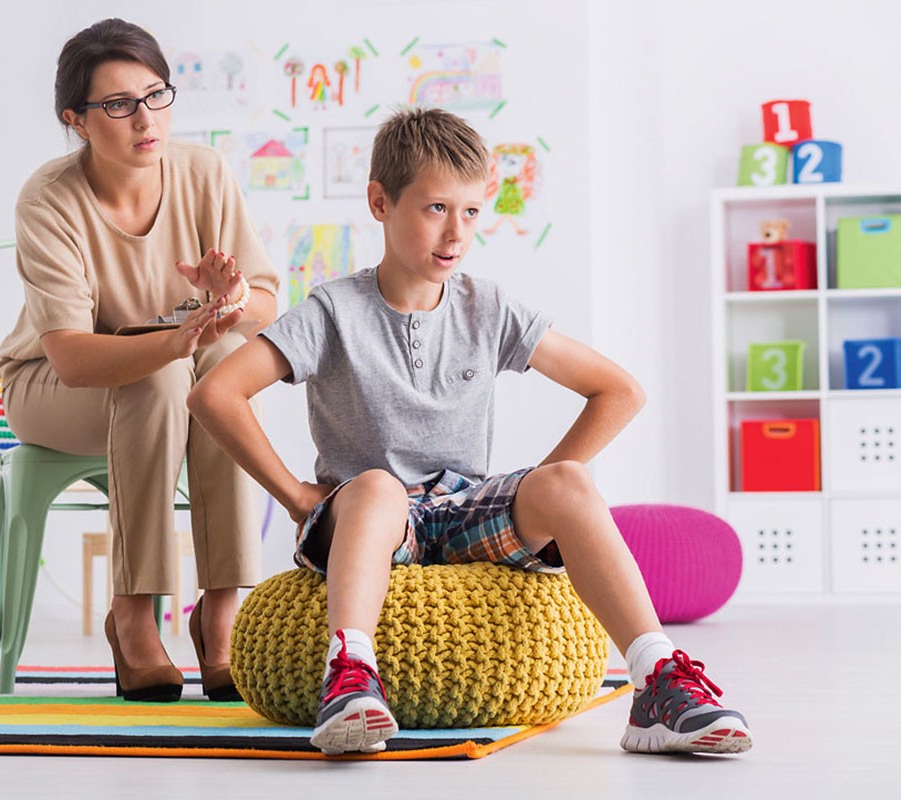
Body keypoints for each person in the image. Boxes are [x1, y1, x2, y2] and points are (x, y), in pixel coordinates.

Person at [188, 107, 752, 755]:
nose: (455, 232)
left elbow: (618, 391)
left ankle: (656, 682)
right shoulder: (333, 310)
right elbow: (215, 394)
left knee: (568, 481)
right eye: (435, 208)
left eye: (471, 212)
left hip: (462, 511)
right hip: (372, 517)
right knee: (377, 487)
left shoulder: (488, 307)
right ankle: (349, 677)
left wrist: (543, 484)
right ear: (380, 203)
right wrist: (295, 496)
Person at [0, 19, 279, 703]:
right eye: (119, 104)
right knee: (160, 377)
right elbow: (71, 357)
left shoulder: (204, 173)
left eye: (155, 95)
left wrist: (230, 300)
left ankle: (219, 610)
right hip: (51, 388)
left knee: (220, 369)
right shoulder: (49, 198)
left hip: (170, 372)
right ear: (76, 120)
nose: (146, 119)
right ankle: (133, 615)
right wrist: (180, 338)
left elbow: (267, 303)